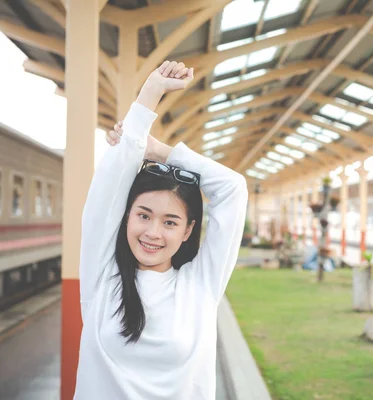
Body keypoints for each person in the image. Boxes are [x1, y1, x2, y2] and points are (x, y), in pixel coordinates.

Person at [74, 60, 248, 399]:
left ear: (188, 231)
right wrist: (150, 93)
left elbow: (233, 188)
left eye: (170, 222)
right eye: (143, 215)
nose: (153, 232)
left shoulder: (201, 285)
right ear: (126, 217)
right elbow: (107, 186)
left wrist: (159, 151)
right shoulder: (101, 276)